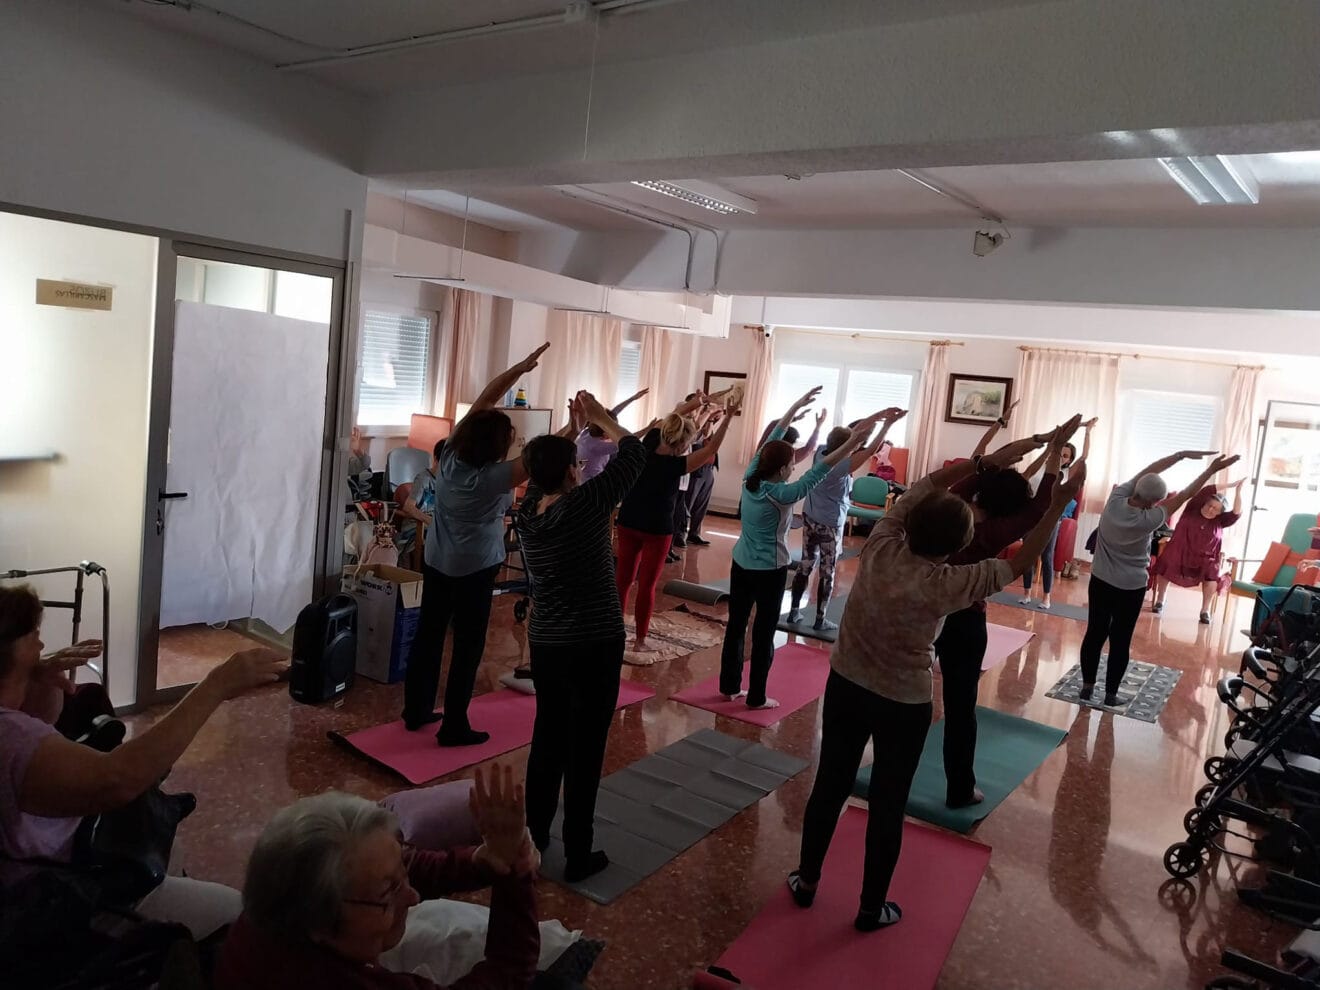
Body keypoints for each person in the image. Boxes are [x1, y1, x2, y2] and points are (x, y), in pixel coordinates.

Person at [789, 438, 1084, 931]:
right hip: (903, 703)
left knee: (830, 787)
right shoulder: (951, 583)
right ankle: (869, 909)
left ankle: (808, 882)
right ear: (955, 544)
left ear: (912, 522)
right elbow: (1019, 561)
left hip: (847, 684)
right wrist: (1055, 507)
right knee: (888, 805)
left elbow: (925, 486)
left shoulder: (882, 543)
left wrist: (982, 463)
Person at [0, 584, 284, 937]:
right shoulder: (9, 737)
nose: (42, 645)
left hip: (81, 853)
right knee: (242, 918)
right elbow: (119, 778)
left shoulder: (14, 723)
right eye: (33, 637)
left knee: (167, 847)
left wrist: (39, 680)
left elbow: (44, 728)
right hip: (65, 893)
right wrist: (216, 685)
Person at [215, 764, 540, 989]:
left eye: (401, 870)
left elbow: (404, 870)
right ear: (319, 924)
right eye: (387, 896)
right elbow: (508, 973)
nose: (413, 897)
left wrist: (484, 860)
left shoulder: (280, 898)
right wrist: (515, 873)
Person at [517, 392, 649, 883]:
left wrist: (574, 431)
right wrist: (600, 418)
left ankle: (533, 836)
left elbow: (543, 469)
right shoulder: (588, 503)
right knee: (587, 747)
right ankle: (578, 852)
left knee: (548, 737)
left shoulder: (527, 511)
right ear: (573, 471)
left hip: (549, 643)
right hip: (594, 642)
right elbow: (634, 451)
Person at [402, 344, 550, 743]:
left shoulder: (450, 456)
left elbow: (486, 397)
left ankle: (416, 711)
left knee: (430, 635)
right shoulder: (492, 478)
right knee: (467, 647)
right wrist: (578, 426)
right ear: (497, 447)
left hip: (437, 560)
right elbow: (543, 458)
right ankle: (454, 726)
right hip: (475, 568)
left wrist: (518, 368)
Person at [937, 416, 1081, 809]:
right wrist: (1055, 453)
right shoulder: (995, 533)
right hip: (963, 620)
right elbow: (1040, 508)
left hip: (921, 609)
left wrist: (1042, 442)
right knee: (960, 708)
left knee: (905, 697)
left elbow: (976, 471)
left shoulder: (948, 507)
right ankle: (959, 789)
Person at [718, 390, 871, 709]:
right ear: (782, 469)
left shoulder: (751, 478)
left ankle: (729, 687)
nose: (793, 467)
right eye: (790, 464)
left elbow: (771, 440)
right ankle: (756, 697)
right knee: (763, 633)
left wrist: (795, 406)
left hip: (740, 564)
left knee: (736, 626)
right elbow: (822, 468)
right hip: (769, 571)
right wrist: (853, 442)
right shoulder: (783, 494)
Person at [1081, 449, 1239, 706]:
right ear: (1155, 502)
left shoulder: (1115, 499)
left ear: (1136, 489)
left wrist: (1178, 456)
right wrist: (1211, 470)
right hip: (1131, 587)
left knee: (1095, 633)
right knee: (1120, 640)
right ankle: (1110, 695)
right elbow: (1187, 494)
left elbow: (1149, 470)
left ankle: (1087, 688)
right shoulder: (1151, 518)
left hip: (1100, 581)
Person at [616, 397, 735, 653]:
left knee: (623, 581)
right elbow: (712, 447)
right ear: (682, 444)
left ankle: (613, 633)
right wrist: (728, 417)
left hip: (628, 521)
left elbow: (673, 413)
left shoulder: (647, 445)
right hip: (657, 529)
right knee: (646, 586)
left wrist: (695, 404)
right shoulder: (678, 465)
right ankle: (640, 641)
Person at [787, 408, 907, 632]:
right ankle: (820, 619)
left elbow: (854, 433)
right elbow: (870, 448)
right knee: (827, 571)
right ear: (848, 446)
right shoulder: (841, 467)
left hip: (810, 518)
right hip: (830, 524)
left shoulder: (821, 453)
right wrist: (887, 424)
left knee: (805, 564)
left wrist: (878, 415)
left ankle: (794, 611)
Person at [1019, 418, 1097, 608]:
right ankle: (1027, 593)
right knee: (1028, 556)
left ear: (1069, 460)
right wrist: (1075, 425)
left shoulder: (1067, 473)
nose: (1062, 457)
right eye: (1060, 453)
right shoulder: (1041, 467)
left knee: (1047, 556)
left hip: (1050, 519)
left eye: (1066, 456)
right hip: (1032, 516)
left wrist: (1087, 431)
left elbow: (1084, 456)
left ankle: (1046, 597)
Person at [1152, 479, 1245, 624]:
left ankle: (1205, 610)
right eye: (1209, 505)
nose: (1211, 509)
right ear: (1204, 503)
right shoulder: (1192, 508)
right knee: (1167, 561)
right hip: (1180, 551)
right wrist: (1230, 485)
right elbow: (1208, 489)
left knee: (1212, 574)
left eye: (1215, 509)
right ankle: (1160, 600)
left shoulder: (1221, 520)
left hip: (1204, 558)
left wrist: (1238, 492)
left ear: (1220, 512)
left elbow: (1236, 513)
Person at [672, 398, 724, 552]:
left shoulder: (704, 421)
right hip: (694, 469)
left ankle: (694, 533)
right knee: (686, 503)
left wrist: (711, 418)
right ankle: (679, 534)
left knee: (701, 503)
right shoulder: (685, 426)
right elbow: (699, 436)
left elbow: (708, 435)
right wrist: (706, 415)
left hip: (708, 468)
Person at [574, 388, 648, 483]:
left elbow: (613, 413)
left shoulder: (587, 433)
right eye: (611, 427)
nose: (613, 428)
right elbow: (629, 440)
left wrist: (633, 398)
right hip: (590, 483)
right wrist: (648, 428)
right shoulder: (598, 446)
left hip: (585, 476)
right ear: (605, 431)